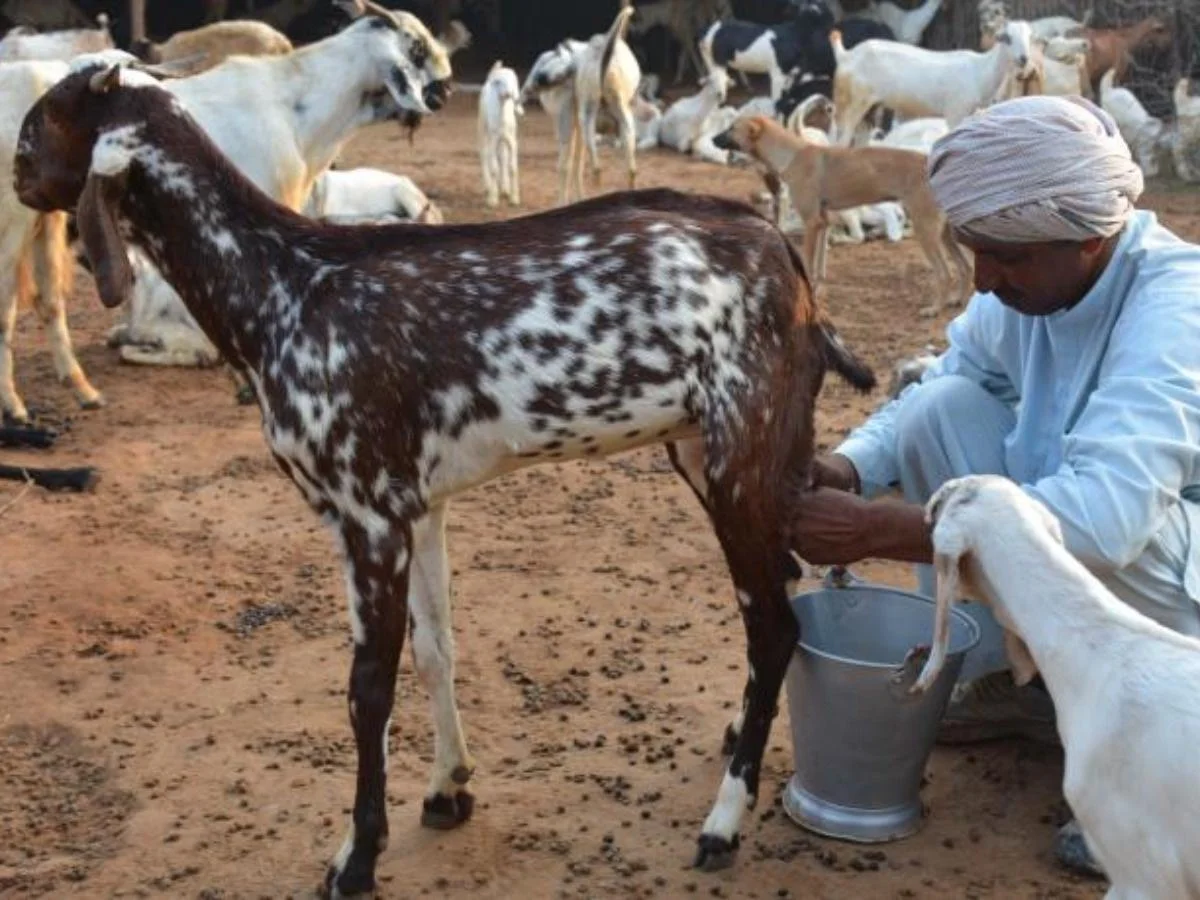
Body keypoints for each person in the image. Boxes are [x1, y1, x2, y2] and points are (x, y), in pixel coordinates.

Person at [790, 94, 1200, 876]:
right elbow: (944, 385)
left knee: (1111, 535)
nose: (982, 281)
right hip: (1093, 517)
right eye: (975, 251)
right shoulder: (1031, 285)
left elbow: (1108, 517)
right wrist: (848, 467)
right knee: (941, 408)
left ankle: (1159, 783)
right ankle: (1017, 684)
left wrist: (879, 529)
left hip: (1180, 584)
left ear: (1087, 240)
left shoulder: (1177, 307)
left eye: (1004, 259)